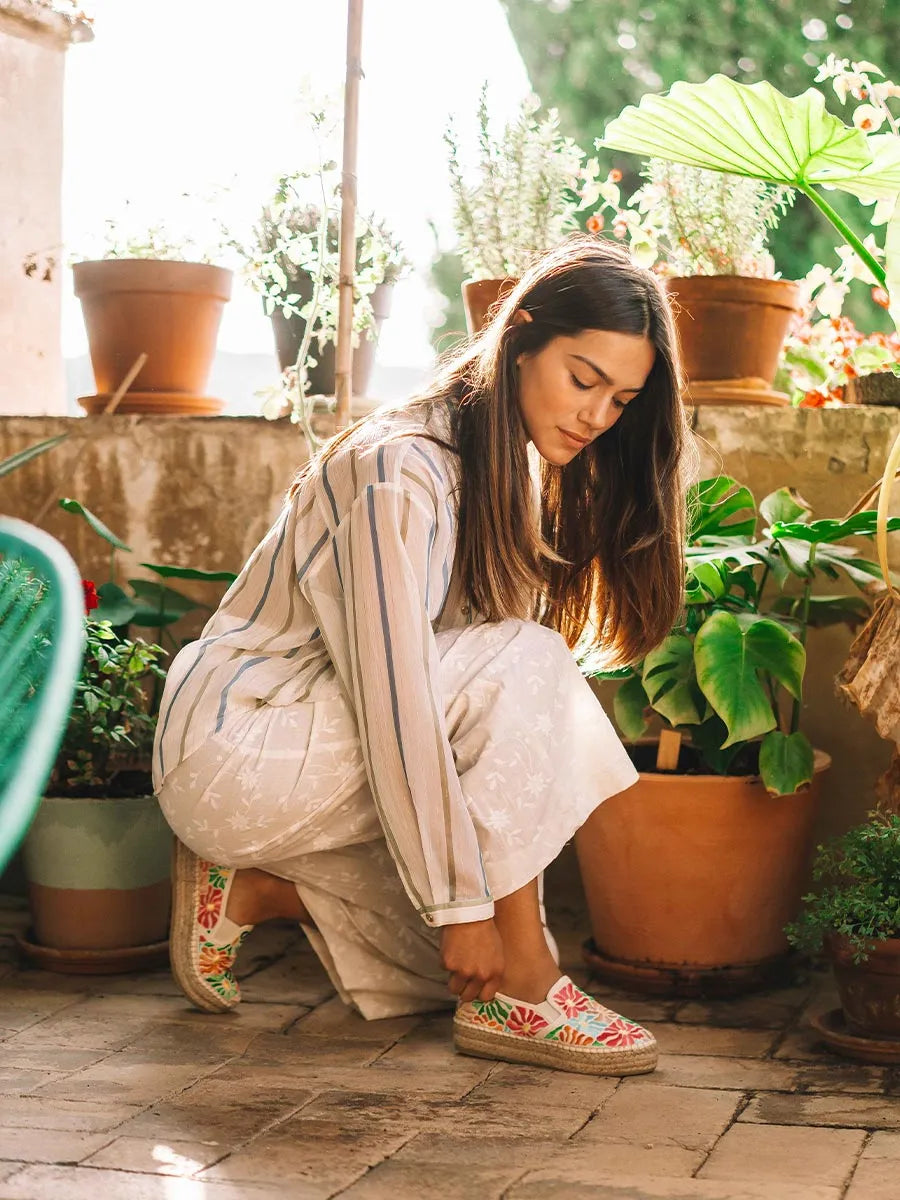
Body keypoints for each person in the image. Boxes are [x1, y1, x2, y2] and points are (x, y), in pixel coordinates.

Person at [153, 234, 689, 1076]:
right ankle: (532, 984)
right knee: (529, 675)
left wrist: (467, 911)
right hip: (239, 745)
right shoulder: (399, 472)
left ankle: (252, 892)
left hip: (299, 751)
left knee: (454, 961)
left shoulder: (497, 465)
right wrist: (465, 906)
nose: (596, 416)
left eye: (620, 401)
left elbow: (490, 749)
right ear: (519, 341)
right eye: (584, 380)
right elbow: (396, 703)